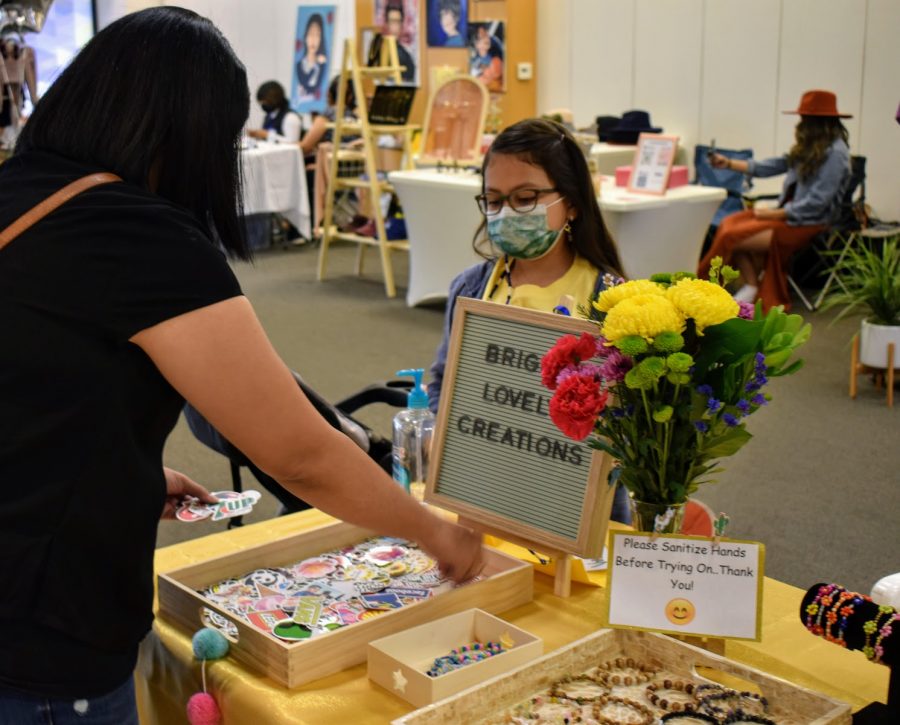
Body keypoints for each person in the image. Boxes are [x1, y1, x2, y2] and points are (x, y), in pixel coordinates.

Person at [0, 8, 482, 722]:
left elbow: (37, 386)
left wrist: (119, 473)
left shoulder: (22, 190)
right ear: (194, 132)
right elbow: (299, 451)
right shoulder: (137, 233)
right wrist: (432, 531)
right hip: (42, 638)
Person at [426, 118, 631, 523]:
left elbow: (629, 424)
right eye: (494, 200)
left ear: (570, 201)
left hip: (574, 511)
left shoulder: (612, 300)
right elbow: (443, 381)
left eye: (525, 198)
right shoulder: (471, 288)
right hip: (480, 497)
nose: (507, 213)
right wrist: (443, 433)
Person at [699, 89, 852, 310]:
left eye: (804, 119)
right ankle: (751, 286)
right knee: (729, 223)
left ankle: (705, 285)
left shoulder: (836, 154)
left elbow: (818, 202)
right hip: (787, 215)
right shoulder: (810, 146)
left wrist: (776, 213)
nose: (800, 124)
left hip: (808, 222)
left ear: (817, 122)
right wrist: (729, 163)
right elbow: (769, 166)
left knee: (733, 234)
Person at [295, 12, 328, 101]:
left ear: (321, 39)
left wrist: (320, 65)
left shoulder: (323, 64)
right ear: (305, 36)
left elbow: (317, 86)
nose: (313, 39)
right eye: (311, 34)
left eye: (317, 35)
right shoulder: (299, 65)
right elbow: (305, 83)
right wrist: (315, 67)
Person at [384, 2, 416, 83]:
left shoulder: (406, 56)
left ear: (402, 25)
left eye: (397, 22)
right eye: (392, 21)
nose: (395, 26)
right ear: (387, 24)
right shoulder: (379, 52)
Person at [470, 25, 502, 93]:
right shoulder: (472, 62)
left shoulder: (496, 60)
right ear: (476, 44)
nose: (486, 38)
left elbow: (497, 81)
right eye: (482, 36)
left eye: (486, 35)